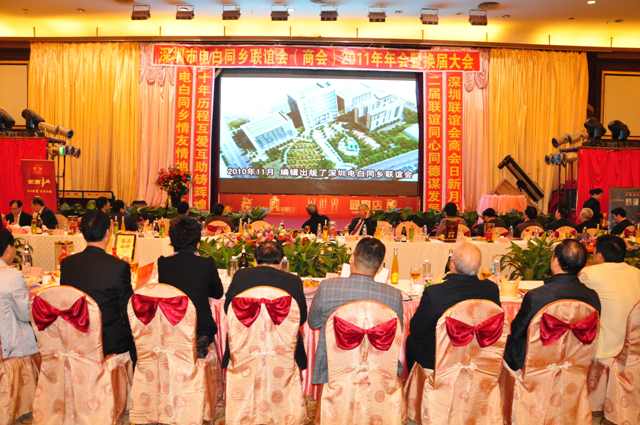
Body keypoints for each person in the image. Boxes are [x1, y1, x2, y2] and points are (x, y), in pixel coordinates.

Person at [308, 237, 403, 384]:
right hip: (376, 371)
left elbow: (313, 323)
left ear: (352, 259)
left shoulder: (327, 287)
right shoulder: (394, 296)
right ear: (380, 268)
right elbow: (397, 333)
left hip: (332, 369)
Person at [504, 239, 601, 371]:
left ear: (555, 260)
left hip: (536, 364)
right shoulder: (592, 297)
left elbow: (517, 331)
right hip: (574, 364)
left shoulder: (536, 296)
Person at [406, 242, 501, 370]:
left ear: (452, 264)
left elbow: (416, 328)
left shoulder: (435, 293)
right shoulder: (491, 289)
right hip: (479, 357)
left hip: (440, 361)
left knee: (412, 341)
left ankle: (417, 378)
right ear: (479, 267)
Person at [60, 210, 135, 360]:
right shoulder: (118, 267)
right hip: (108, 342)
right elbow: (128, 308)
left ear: (83, 234)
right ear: (108, 233)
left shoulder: (67, 264)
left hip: (76, 335)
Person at [224, 240, 307, 369]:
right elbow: (301, 317)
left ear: (255, 259)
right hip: (283, 348)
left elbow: (227, 309)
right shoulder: (293, 281)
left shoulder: (240, 276)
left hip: (245, 346)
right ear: (281, 260)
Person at [158, 217, 223, 357]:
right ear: (197, 241)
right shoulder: (206, 263)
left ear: (172, 240)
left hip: (173, 324)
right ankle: (198, 342)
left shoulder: (163, 264)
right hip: (200, 327)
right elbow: (218, 293)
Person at [579, 235, 640, 359]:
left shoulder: (589, 273)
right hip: (636, 347)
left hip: (607, 349)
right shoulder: (637, 272)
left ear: (599, 255)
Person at [0, 229, 38, 359]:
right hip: (11, 346)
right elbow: (26, 314)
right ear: (8, 248)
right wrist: (33, 297)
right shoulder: (11, 275)